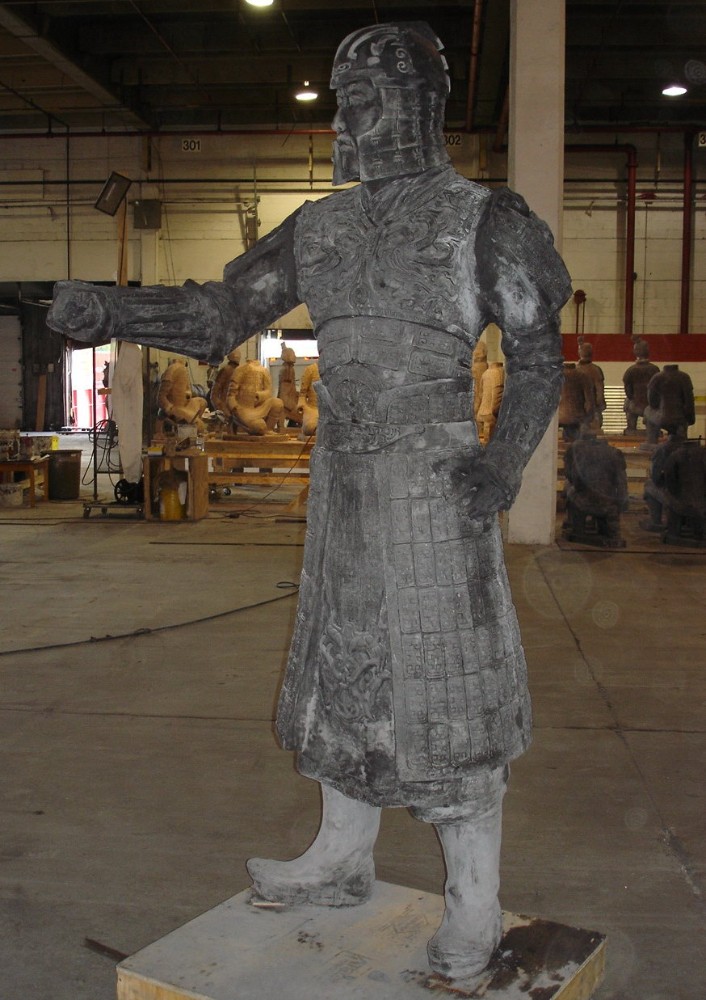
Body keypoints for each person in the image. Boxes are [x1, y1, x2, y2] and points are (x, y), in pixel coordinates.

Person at [47, 22, 571, 986]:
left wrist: (502, 467)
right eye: (342, 100)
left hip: (435, 482)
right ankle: (339, 857)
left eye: (362, 99)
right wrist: (112, 312)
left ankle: (474, 896)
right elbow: (219, 314)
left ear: (415, 102)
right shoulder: (321, 226)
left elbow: (540, 356)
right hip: (344, 481)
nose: (345, 120)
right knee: (342, 663)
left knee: (445, 684)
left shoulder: (485, 219)